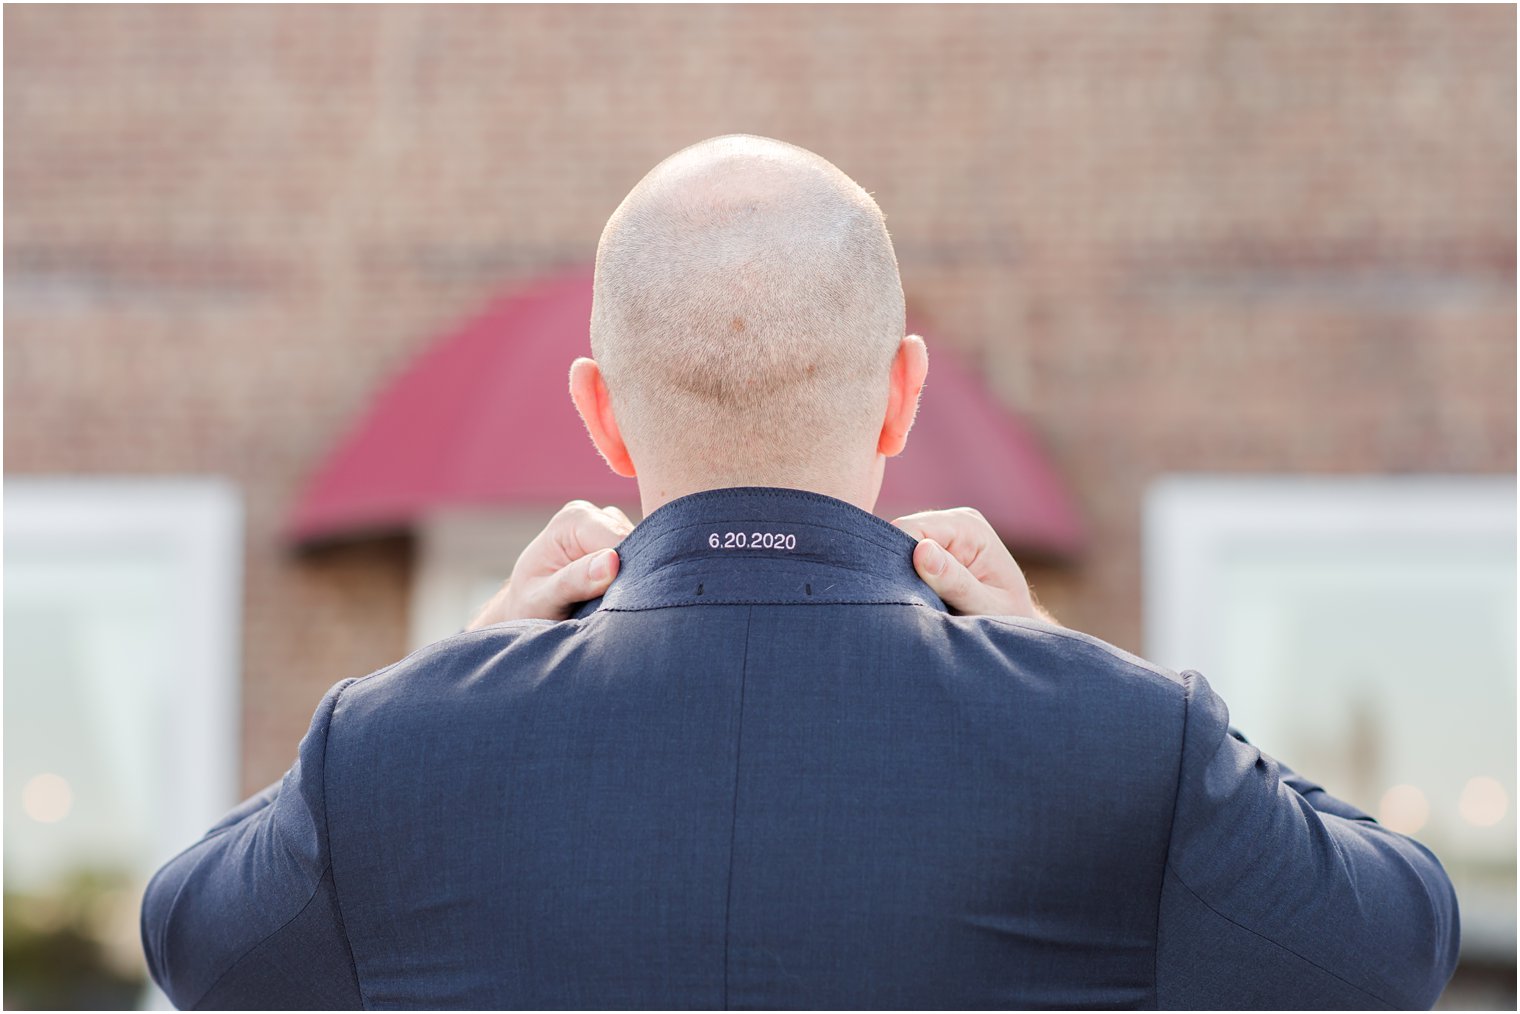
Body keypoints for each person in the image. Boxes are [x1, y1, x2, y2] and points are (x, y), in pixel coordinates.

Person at [140, 135, 1459, 1010]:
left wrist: (454, 664)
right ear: (901, 397)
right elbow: (1398, 944)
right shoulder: (1126, 741)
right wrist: (1072, 655)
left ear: (599, 415)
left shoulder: (387, 754)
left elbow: (192, 936)